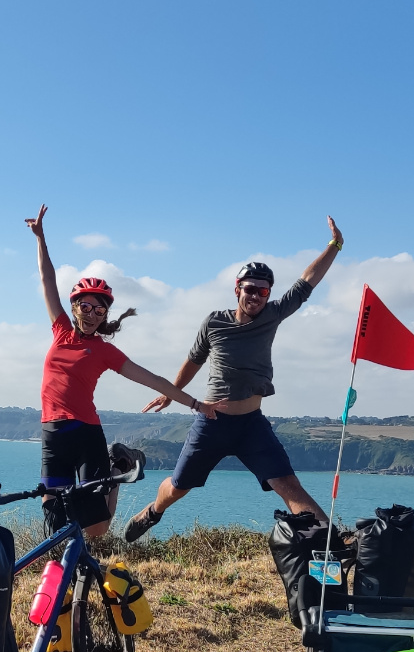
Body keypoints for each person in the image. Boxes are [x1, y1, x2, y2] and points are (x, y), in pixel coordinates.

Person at [124, 218, 344, 543]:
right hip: (211, 422)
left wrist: (334, 246)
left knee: (288, 485)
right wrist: (171, 394)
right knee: (178, 487)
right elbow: (194, 360)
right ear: (237, 289)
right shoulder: (214, 322)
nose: (256, 296)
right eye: (250, 289)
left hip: (251, 425)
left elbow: (307, 281)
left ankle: (331, 545)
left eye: (263, 290)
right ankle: (153, 512)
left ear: (269, 294)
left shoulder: (273, 314)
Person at [27, 205, 221, 538]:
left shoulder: (105, 351)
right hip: (52, 434)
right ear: (74, 308)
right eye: (85, 306)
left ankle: (118, 464)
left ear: (104, 316)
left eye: (99, 310)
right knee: (54, 523)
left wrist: (195, 404)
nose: (91, 314)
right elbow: (47, 279)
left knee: (97, 530)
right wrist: (41, 239)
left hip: (86, 433)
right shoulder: (60, 330)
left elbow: (153, 379)